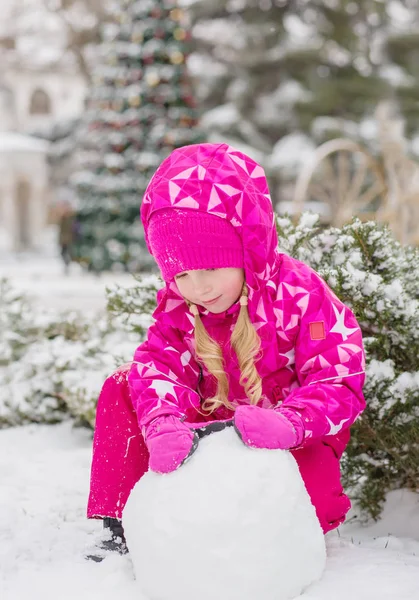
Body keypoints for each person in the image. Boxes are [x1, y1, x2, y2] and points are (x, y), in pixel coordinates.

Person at [87, 143, 365, 561]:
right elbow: (158, 365)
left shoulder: (301, 295)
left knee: (314, 502)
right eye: (180, 273)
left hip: (286, 434)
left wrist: (290, 422)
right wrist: (162, 422)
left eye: (211, 269)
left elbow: (338, 377)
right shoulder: (182, 306)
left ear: (246, 250)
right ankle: (123, 522)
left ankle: (273, 530)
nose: (198, 287)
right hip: (206, 430)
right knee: (124, 384)